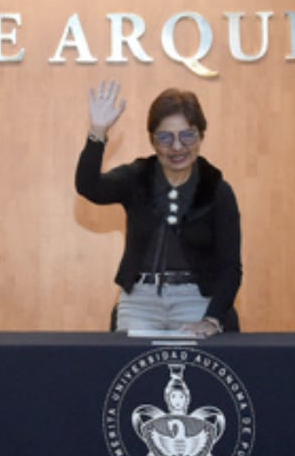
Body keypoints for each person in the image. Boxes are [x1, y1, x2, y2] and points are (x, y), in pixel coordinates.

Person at [75, 80, 242, 337]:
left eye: (187, 135)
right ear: (152, 141)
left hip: (196, 301)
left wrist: (212, 320)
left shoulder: (218, 191)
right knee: (131, 372)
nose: (177, 147)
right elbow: (89, 187)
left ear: (201, 136)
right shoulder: (136, 177)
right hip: (140, 303)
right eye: (165, 137)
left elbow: (231, 267)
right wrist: (97, 131)